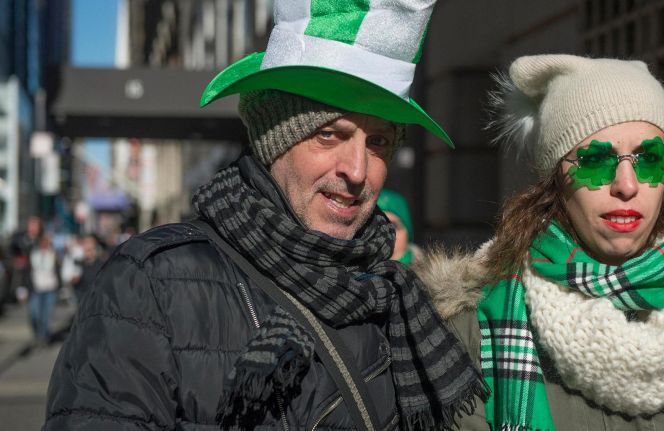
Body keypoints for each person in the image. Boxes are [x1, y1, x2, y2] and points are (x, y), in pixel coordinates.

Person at [44, 1, 487, 430]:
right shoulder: (149, 284)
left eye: (378, 143)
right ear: (274, 138)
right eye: (330, 134)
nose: (357, 171)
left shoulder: (402, 298)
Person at [418, 54, 664, 430]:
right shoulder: (476, 324)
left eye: (649, 158)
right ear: (555, 181)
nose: (627, 185)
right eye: (597, 160)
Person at [28, 233, 61, 344]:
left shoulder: (53, 254)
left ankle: (44, 336)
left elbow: (59, 270)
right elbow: (28, 271)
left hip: (50, 289)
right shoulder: (33, 254)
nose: (44, 244)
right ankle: (38, 332)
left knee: (46, 315)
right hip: (36, 289)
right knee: (35, 314)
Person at [377, 188, 424, 265]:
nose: (387, 237)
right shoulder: (352, 274)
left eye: (394, 226)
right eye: (376, 227)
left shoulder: (431, 275)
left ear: (408, 233)